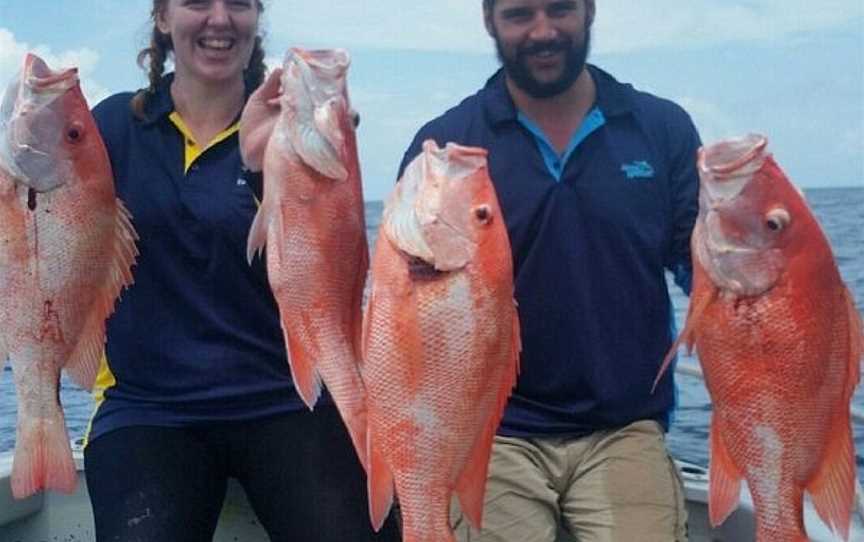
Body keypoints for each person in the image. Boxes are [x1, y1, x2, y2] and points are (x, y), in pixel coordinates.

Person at [83, 1, 400, 541]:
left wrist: (263, 167)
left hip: (287, 395)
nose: (220, 18)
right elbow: (54, 231)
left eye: (239, 4)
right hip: (150, 406)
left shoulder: (295, 128)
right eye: (196, 3)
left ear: (257, 20)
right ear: (163, 19)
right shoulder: (114, 126)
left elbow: (326, 264)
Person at [398, 1, 700, 541]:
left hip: (624, 427)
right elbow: (405, 317)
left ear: (588, 12)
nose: (543, 32)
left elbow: (704, 273)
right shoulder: (444, 150)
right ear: (489, 21)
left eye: (560, 9)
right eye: (519, 15)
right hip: (491, 431)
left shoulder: (661, 129)